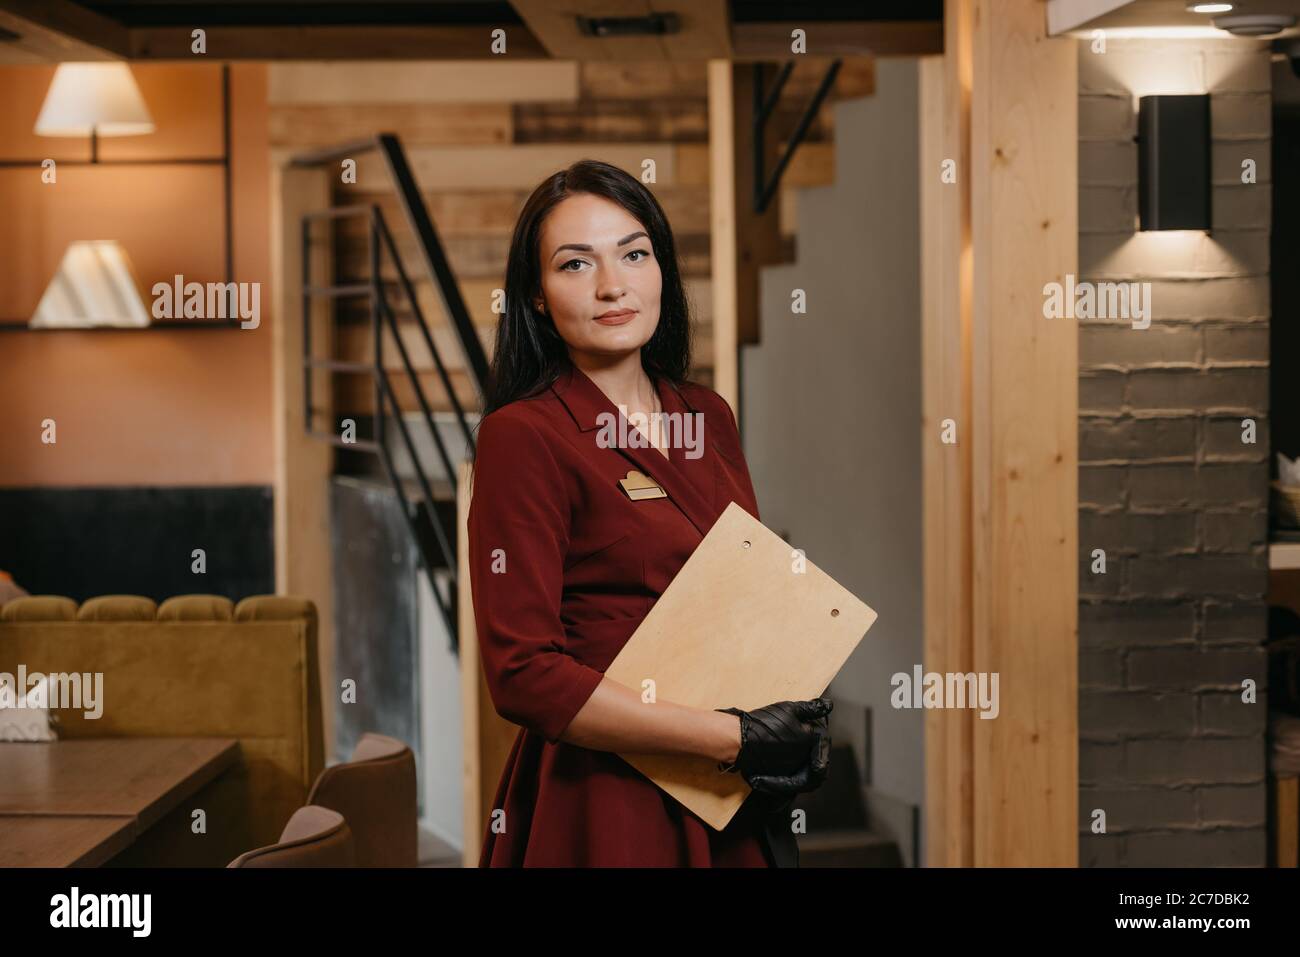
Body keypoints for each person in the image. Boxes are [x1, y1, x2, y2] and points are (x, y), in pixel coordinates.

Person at [468, 158, 832, 867]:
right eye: (576, 264)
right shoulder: (524, 435)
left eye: (634, 254)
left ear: (662, 267)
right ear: (536, 296)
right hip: (606, 796)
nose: (613, 285)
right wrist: (734, 738)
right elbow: (523, 673)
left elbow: (743, 593)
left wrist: (796, 710)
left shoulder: (707, 414)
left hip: (726, 791)